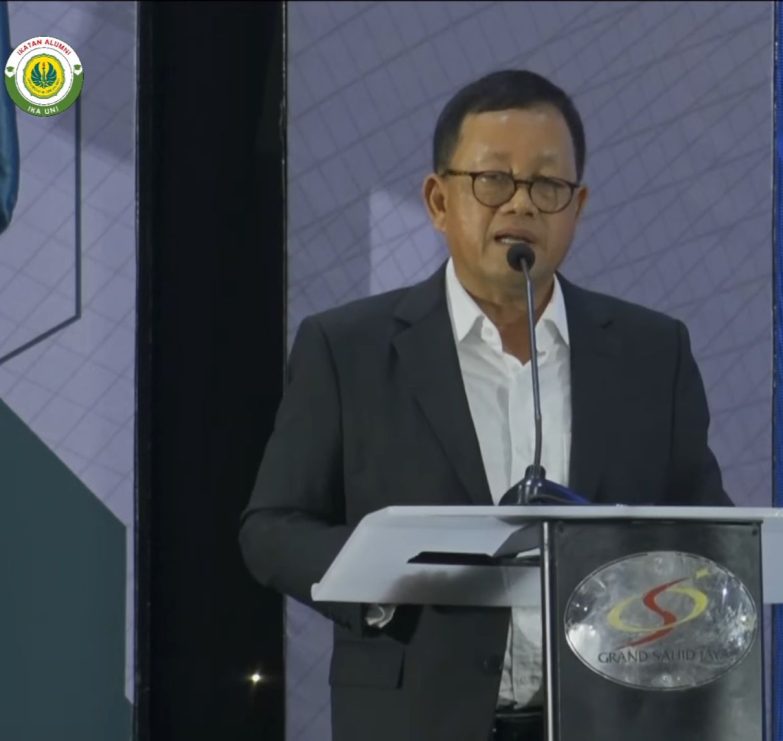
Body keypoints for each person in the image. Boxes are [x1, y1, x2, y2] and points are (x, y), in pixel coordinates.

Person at [239, 69, 731, 741]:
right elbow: (272, 529)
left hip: (609, 720)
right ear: (438, 200)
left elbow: (708, 533)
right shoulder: (348, 349)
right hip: (417, 721)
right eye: (493, 180)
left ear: (578, 206)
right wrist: (388, 574)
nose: (520, 204)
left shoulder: (652, 352)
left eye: (547, 185)